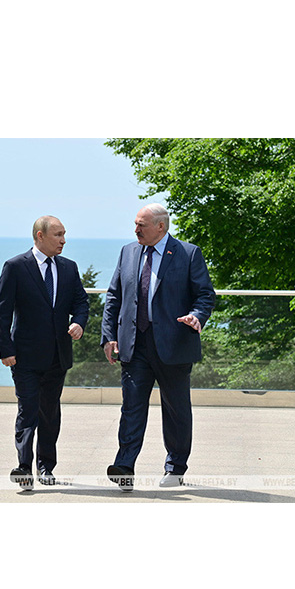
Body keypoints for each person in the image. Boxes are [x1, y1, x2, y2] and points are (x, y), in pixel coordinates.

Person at [100, 203, 215, 491]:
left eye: (141, 225)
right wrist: (109, 335)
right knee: (131, 407)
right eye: (135, 224)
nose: (136, 229)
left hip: (174, 344)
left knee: (176, 409)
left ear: (160, 227)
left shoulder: (188, 253)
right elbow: (114, 296)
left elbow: (204, 295)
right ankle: (125, 466)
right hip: (134, 343)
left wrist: (197, 316)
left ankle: (175, 467)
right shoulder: (128, 252)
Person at [0, 215, 90, 490]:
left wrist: (78, 322)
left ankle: (46, 467)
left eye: (64, 234)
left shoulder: (69, 267)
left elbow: (81, 302)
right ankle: (24, 467)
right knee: (28, 411)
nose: (63, 240)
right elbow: (1, 312)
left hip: (58, 355)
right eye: (58, 235)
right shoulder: (15, 267)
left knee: (50, 413)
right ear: (40, 235)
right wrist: (5, 350)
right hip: (24, 356)